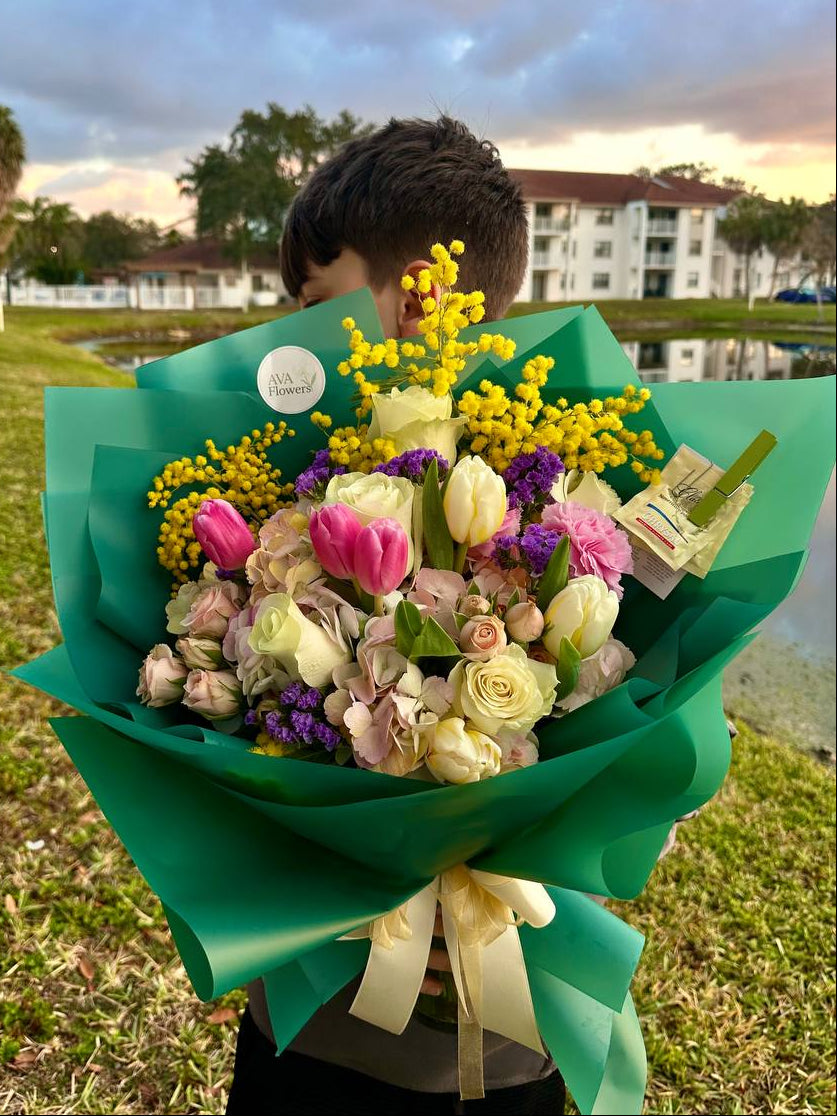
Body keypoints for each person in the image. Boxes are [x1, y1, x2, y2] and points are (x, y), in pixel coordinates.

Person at [226, 115, 567, 1116]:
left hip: (497, 1039)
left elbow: (651, 766)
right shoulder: (285, 498)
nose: (288, 340)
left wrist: (501, 899)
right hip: (308, 1020)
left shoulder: (570, 496)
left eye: (313, 307)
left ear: (420, 299)